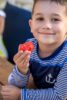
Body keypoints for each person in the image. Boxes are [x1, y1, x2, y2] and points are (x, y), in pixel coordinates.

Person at [1, 0, 67, 100]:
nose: (47, 26)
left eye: (55, 19)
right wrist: (21, 70)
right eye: (40, 18)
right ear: (31, 25)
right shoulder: (30, 46)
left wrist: (21, 95)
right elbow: (15, 85)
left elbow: (59, 95)